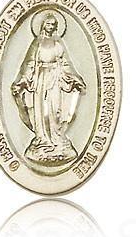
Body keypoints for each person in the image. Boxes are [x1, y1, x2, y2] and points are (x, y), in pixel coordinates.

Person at [11, 13, 86, 170]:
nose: (50, 27)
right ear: (43, 25)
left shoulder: (58, 43)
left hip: (56, 79)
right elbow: (29, 64)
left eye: (53, 25)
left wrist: (75, 78)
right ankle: (43, 140)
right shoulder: (37, 43)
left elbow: (65, 64)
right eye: (48, 24)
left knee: (55, 110)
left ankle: (57, 140)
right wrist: (22, 81)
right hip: (41, 80)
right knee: (42, 110)